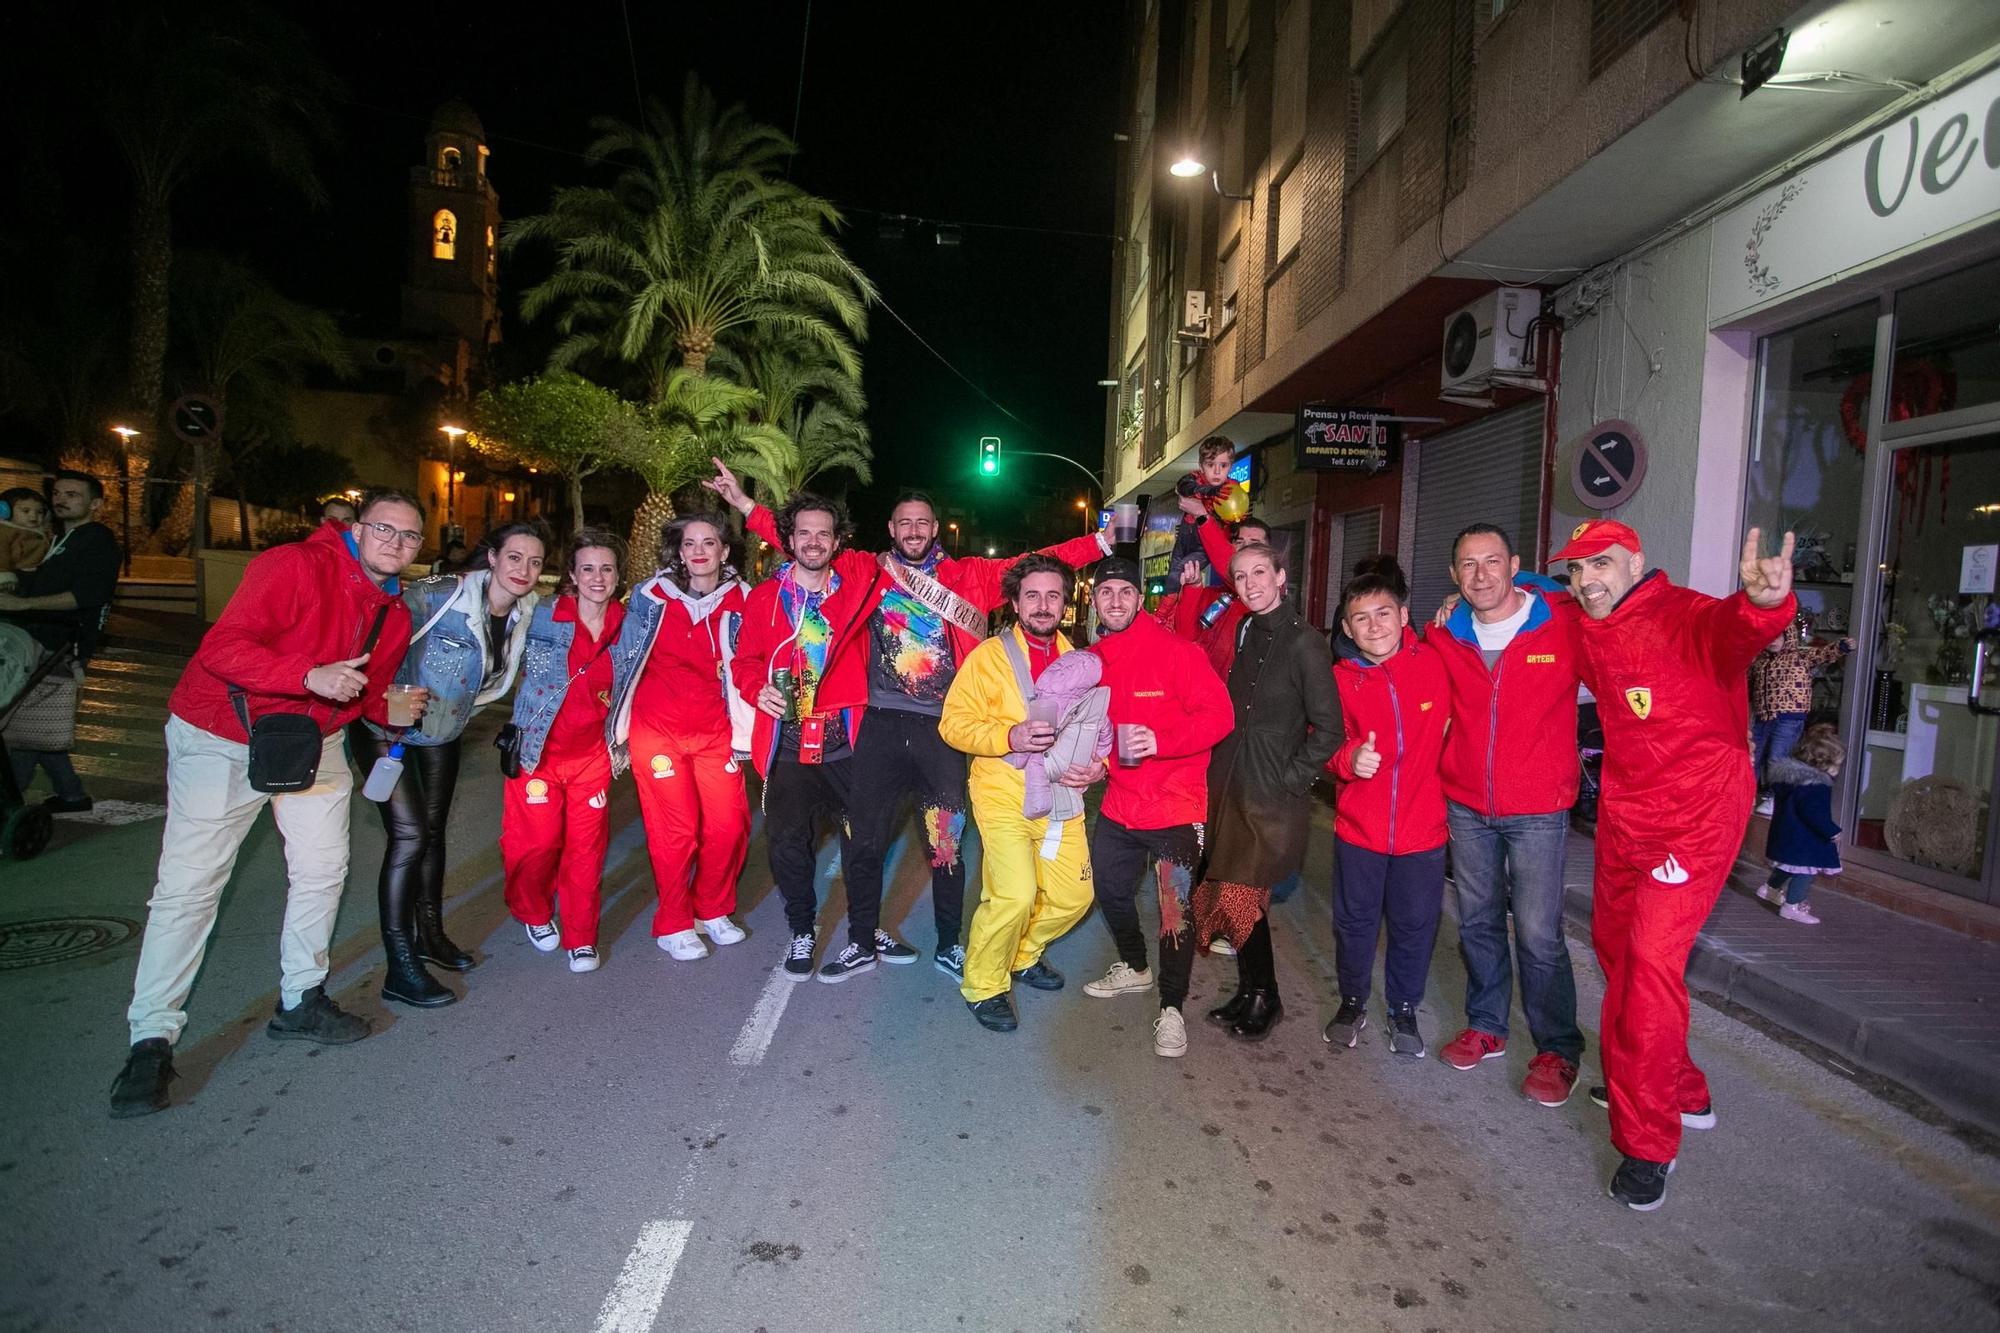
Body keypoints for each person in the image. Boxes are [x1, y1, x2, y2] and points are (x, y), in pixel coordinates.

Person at [711, 460, 1113, 980]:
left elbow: (1039, 561)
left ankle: (949, 943)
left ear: (936, 528)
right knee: (866, 841)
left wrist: (1101, 545)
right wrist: (745, 505)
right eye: (905, 522)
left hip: (942, 732)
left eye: (924, 522)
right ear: (892, 529)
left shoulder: (969, 576)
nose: (914, 531)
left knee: (945, 842)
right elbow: (806, 541)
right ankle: (860, 943)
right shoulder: (868, 570)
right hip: (878, 726)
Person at [109, 488, 426, 1118]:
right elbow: (222, 650)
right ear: (356, 529)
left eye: (409, 537)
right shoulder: (292, 566)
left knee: (321, 872)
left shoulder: (395, 612)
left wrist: (386, 707)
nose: (395, 543)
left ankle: (301, 998)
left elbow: (362, 695)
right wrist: (309, 674)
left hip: (316, 741)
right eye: (384, 529)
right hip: (224, 735)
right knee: (190, 887)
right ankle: (151, 1038)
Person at [1555, 517, 1797, 1212]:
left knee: (1650, 970)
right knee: (1614, 950)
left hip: (1697, 816)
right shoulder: (1580, 619)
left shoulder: (1688, 615)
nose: (1587, 580)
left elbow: (1738, 627)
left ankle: (1647, 1140)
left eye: (1599, 564)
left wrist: (1765, 600)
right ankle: (1677, 1086)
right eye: (1577, 569)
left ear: (1635, 562)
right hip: (1628, 812)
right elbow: (1528, 610)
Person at [347, 520, 546, 1003]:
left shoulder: (526, 611)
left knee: (433, 833)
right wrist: (388, 701)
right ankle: (399, 964)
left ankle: (429, 936)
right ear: (493, 557)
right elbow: (373, 638)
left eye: (535, 562)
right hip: (384, 727)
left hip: (442, 730)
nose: (523, 569)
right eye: (514, 557)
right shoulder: (440, 594)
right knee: (410, 835)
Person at [1425, 524, 1586, 1106]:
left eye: (1493, 562)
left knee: (1540, 935)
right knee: (1477, 922)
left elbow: (1579, 603)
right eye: (1468, 566)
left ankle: (1557, 1049)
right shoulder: (1445, 634)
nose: (1481, 575)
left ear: (1516, 565)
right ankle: (1488, 1025)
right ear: (1453, 576)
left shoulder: (1561, 624)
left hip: (1539, 808)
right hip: (1467, 804)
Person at [733, 492, 921, 982]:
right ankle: (802, 928)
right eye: (803, 533)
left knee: (866, 843)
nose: (813, 542)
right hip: (788, 746)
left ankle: (865, 930)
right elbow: (746, 661)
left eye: (823, 533)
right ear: (788, 539)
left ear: (837, 542)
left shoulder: (855, 585)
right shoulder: (764, 598)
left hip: (848, 745)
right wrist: (757, 690)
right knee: (787, 844)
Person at [939, 555, 1103, 1032]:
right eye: (1032, 595)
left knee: (1075, 895)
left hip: (1061, 799)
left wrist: (1100, 764)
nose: (1043, 604)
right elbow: (953, 724)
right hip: (1003, 793)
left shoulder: (1082, 659)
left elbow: (1101, 725)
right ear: (1014, 602)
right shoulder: (988, 657)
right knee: (1013, 894)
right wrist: (1008, 736)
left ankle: (1023, 954)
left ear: (1066, 602)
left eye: (1053, 595)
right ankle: (983, 983)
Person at [1079, 556, 1233, 1058]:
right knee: (1109, 890)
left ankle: (1171, 1008)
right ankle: (1135, 967)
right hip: (1121, 805)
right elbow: (1095, 730)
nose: (1116, 600)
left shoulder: (1178, 652)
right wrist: (1095, 763)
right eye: (1107, 593)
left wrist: (1160, 740)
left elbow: (1220, 717)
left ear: (1139, 596)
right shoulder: (1095, 658)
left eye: (1126, 591)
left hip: (1175, 806)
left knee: (1173, 911)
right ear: (1095, 600)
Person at [1191, 543, 1341, 1040]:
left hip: (1271, 796)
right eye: (1240, 576)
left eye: (1260, 572)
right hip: (1229, 785)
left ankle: (1266, 996)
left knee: (1241, 895)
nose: (1251, 583)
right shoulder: (1245, 629)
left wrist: (1291, 780)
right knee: (1233, 894)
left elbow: (1330, 729)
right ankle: (1251, 988)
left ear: (1281, 576)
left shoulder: (1306, 643)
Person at [605, 511, 755, 961]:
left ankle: (711, 909)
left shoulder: (744, 600)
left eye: (709, 543)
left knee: (729, 826)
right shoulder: (651, 597)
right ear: (680, 552)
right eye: (690, 544)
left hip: (716, 733)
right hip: (658, 732)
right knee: (677, 831)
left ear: (725, 551)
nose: (699, 551)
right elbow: (619, 657)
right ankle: (673, 922)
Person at [1324, 571, 1451, 1060]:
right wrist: (1349, 759)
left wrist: (1459, 595)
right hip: (1359, 829)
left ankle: (1403, 1008)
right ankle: (1352, 1002)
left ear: (1402, 616)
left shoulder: (1437, 664)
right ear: (1348, 629)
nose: (1373, 626)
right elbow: (1323, 740)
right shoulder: (1338, 680)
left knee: (1414, 925)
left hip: (1424, 832)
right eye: (1361, 618)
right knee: (1354, 924)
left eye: (1383, 613)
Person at [504, 530, 628, 970]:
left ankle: (581, 935)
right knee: (534, 847)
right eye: (588, 568)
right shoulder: (540, 615)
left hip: (592, 757)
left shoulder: (629, 626)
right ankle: (534, 912)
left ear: (618, 575)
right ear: (572, 574)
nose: (597, 577)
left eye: (607, 568)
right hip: (537, 754)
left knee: (585, 850)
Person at [0, 470, 122, 813]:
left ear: (95, 504)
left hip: (59, 646)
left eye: (72, 494)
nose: (61, 499)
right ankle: (71, 794)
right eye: (57, 493)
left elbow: (87, 595)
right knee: (37, 721)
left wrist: (22, 604)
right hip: (37, 642)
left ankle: (9, 807)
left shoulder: (96, 539)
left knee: (24, 724)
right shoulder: (52, 538)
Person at [1155, 511, 1272, 682]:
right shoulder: (1213, 595)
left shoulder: (1268, 598)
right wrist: (1193, 587)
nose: (1245, 548)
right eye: (1239, 542)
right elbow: (1185, 636)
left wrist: (1202, 517)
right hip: (1204, 697)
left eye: (1255, 543)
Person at [1749, 620, 1851, 812]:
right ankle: (1746, 794)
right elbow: (1748, 687)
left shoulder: (1800, 656)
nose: (1772, 641)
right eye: (1768, 637)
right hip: (1763, 716)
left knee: (1778, 758)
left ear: (1788, 635)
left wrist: (1841, 647)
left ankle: (1776, 798)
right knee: (1752, 756)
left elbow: (1824, 654)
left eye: (1777, 636)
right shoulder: (1760, 662)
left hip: (1789, 716)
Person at [1757, 723, 1845, 926]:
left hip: (1787, 835)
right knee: (1805, 872)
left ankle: (1770, 888)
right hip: (1804, 841)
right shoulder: (1816, 786)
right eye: (1838, 765)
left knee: (1788, 866)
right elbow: (1814, 814)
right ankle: (1792, 906)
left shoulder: (1788, 779)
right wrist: (1832, 832)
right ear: (1823, 763)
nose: (1838, 770)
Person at [1167, 436, 1239, 577]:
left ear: (1231, 466)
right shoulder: (1194, 479)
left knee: (1181, 572)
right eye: (1211, 465)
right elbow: (1185, 486)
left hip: (1207, 543)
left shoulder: (1232, 490)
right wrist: (1210, 491)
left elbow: (1237, 517)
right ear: (1201, 466)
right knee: (1173, 577)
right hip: (1185, 537)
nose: (1217, 471)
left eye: (1223, 465)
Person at [0, 487, 50, 575]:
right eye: (26, 511)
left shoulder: (42, 531)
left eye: (40, 512)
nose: (33, 517)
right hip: (14, 576)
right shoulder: (4, 531)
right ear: (5, 511)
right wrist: (3, 573)